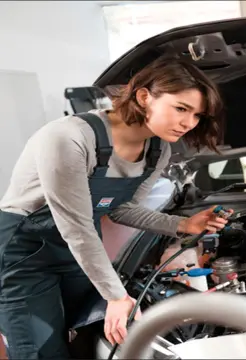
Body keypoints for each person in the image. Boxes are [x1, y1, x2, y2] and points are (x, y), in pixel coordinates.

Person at [0, 55, 230, 359]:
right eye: (181, 108)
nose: (189, 123)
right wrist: (116, 295)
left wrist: (183, 225)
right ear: (144, 96)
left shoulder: (157, 149)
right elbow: (77, 227)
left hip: (74, 252)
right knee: (40, 351)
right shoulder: (69, 138)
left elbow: (123, 209)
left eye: (197, 115)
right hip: (24, 252)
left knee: (87, 336)